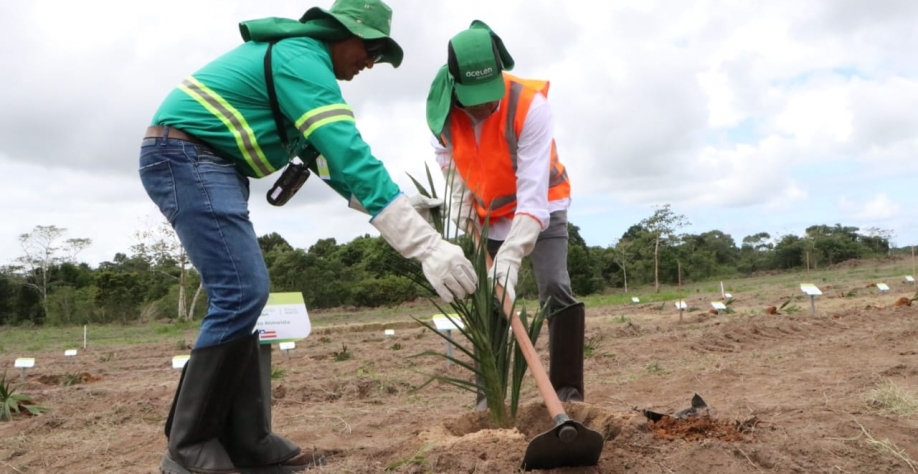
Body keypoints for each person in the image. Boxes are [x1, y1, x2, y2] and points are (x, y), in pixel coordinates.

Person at [139, 1, 477, 473]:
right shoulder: (302, 57)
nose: (371, 62)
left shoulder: (298, 64)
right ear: (342, 32)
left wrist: (405, 204)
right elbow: (346, 147)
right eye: (370, 48)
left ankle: (246, 440)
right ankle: (189, 446)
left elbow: (328, 163)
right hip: (185, 156)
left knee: (245, 295)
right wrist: (422, 245)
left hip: (208, 163)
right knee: (241, 292)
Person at [425, 21, 585, 409]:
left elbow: (532, 196)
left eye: (489, 93)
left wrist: (511, 256)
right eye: (474, 96)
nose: (484, 104)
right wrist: (460, 205)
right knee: (492, 298)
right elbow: (447, 159)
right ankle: (491, 401)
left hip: (542, 204)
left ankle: (569, 395)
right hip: (488, 213)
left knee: (554, 287)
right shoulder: (440, 110)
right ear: (455, 83)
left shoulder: (531, 106)